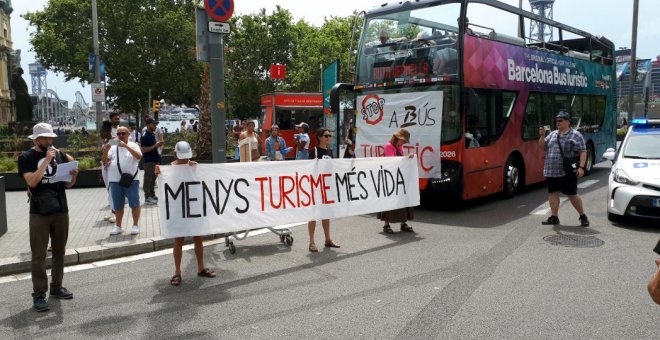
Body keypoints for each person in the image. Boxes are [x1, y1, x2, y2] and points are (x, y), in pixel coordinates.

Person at [18, 123, 79, 312]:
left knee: (60, 251)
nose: (49, 141)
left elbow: (68, 185)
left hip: (61, 209)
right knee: (39, 255)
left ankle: (57, 287)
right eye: (45, 138)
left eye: (50, 138)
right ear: (36, 139)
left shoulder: (59, 155)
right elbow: (32, 182)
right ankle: (38, 294)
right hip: (39, 212)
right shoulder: (26, 157)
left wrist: (73, 176)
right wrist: (46, 161)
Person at [155, 141, 217, 286]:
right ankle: (177, 272)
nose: (185, 160)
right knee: (179, 239)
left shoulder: (194, 166)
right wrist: (159, 172)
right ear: (177, 154)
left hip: (193, 207)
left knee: (198, 237)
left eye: (186, 157)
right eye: (183, 157)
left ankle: (201, 268)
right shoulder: (170, 168)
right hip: (179, 209)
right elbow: (163, 183)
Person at [538, 111, 590, 227]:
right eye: (557, 120)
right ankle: (554, 217)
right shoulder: (552, 134)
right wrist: (542, 135)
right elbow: (542, 146)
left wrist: (581, 167)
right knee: (552, 193)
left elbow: (583, 151)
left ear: (568, 121)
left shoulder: (575, 135)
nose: (558, 122)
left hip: (567, 171)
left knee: (572, 194)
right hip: (551, 170)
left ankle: (582, 216)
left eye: (560, 120)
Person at [102, 126, 143, 235]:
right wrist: (105, 151)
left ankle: (135, 225)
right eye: (118, 134)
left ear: (128, 134)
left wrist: (126, 146)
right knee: (118, 205)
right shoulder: (113, 146)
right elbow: (105, 161)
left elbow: (139, 157)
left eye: (123, 133)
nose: (120, 136)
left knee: (134, 203)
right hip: (115, 180)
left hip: (131, 180)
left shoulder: (134, 145)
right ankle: (118, 226)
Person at [307, 128, 340, 252]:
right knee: (313, 215)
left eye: (329, 135)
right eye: (326, 135)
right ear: (320, 137)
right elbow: (308, 168)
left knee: (326, 214)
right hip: (315, 187)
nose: (328, 137)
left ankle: (328, 239)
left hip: (327, 187)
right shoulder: (313, 151)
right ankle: (311, 242)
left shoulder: (330, 151)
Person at [377, 128, 415, 233]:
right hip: (390, 177)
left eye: (405, 141)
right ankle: (386, 225)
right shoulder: (389, 146)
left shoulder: (400, 147)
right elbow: (392, 161)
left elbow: (401, 162)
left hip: (398, 177)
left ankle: (403, 223)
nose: (403, 142)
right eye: (403, 140)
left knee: (402, 200)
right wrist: (406, 158)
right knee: (389, 200)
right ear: (397, 138)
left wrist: (408, 159)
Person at [140, 118, 163, 205]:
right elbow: (143, 150)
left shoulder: (152, 135)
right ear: (148, 125)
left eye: (155, 125)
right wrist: (155, 145)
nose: (155, 126)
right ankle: (147, 197)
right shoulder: (145, 136)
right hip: (148, 161)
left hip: (155, 160)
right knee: (148, 179)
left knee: (153, 179)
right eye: (153, 124)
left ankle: (152, 194)